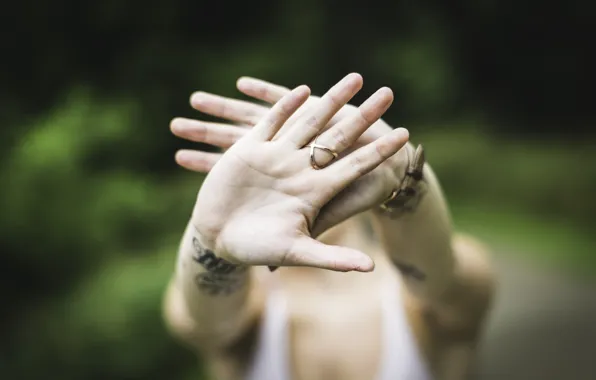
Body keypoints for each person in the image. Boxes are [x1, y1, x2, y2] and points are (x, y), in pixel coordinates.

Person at [163, 73, 496, 380]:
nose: (287, 190)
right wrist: (210, 238)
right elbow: (208, 323)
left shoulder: (425, 295)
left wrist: (402, 177)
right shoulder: (250, 310)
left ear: (346, 153)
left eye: (303, 151)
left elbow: (443, 283)